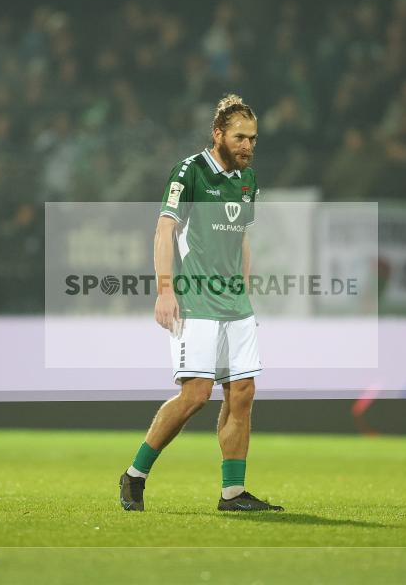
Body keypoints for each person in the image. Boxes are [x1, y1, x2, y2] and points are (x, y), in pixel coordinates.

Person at [119, 94, 283, 512]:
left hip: (235, 304)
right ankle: (134, 475)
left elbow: (242, 237)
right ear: (218, 134)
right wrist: (165, 289)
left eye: (253, 139)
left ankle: (232, 492)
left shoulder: (248, 181)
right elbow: (164, 230)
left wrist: (245, 289)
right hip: (196, 300)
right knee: (195, 395)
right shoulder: (189, 172)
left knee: (242, 392)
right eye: (240, 137)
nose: (248, 145)